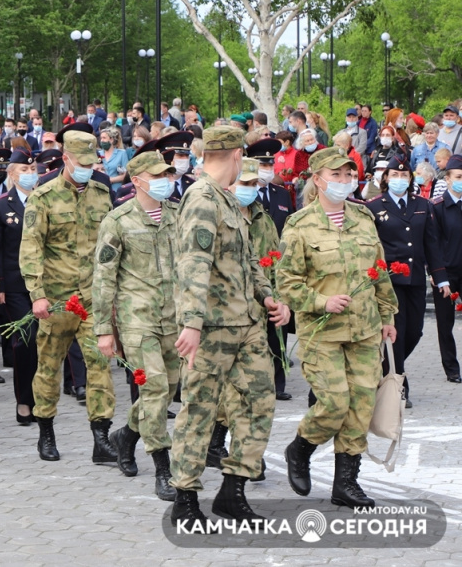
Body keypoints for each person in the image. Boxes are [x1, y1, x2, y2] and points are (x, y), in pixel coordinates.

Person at [168, 126, 289, 527]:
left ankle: (232, 490)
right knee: (200, 409)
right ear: (237, 155)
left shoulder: (227, 199)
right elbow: (193, 264)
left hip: (247, 323)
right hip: (213, 327)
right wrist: (191, 323)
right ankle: (185, 495)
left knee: (260, 403)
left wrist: (267, 295)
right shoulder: (202, 198)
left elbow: (248, 259)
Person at [277, 146, 398, 509]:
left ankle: (346, 484)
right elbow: (286, 282)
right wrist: (321, 301)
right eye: (336, 175)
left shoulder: (363, 219)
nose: (345, 181)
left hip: (364, 329)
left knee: (361, 405)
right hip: (322, 332)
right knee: (333, 403)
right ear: (317, 179)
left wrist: (388, 317)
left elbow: (379, 272)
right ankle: (300, 449)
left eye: (348, 175)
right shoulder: (299, 226)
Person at [20, 129, 118, 463]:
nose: (88, 168)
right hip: (58, 300)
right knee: (48, 368)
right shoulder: (43, 197)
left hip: (93, 300)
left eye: (92, 162)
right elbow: (31, 247)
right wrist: (37, 294)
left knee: (100, 367)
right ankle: (45, 432)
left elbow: (111, 245)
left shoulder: (103, 193)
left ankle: (101, 438)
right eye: (81, 162)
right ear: (66, 158)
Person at [93, 149, 180, 501]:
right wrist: (103, 329)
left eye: (168, 175)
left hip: (174, 319)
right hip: (137, 319)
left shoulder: (178, 215)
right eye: (158, 175)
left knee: (167, 389)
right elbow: (103, 278)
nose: (166, 181)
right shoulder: (118, 220)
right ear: (138, 180)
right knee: (156, 388)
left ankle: (126, 436)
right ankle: (163, 466)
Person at [366, 158, 449, 408]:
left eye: (403, 175)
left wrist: (440, 276)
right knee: (397, 333)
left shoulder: (423, 205)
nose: (399, 179)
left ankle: (386, 367)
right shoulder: (373, 206)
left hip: (414, 278)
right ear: (386, 178)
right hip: (389, 281)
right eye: (393, 175)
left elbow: (430, 243)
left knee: (415, 330)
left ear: (410, 178)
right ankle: (399, 384)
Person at [0, 148, 40, 423]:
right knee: (26, 341)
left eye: (33, 170)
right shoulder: (0, 205)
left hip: (45, 284)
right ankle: (24, 401)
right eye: (24, 170)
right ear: (11, 174)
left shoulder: (44, 201)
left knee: (46, 343)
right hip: (16, 286)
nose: (30, 174)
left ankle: (42, 398)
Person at [431, 155, 462, 383]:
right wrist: (436, 274)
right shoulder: (438, 207)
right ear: (448, 179)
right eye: (459, 177)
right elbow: (432, 244)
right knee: (445, 323)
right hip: (447, 274)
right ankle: (451, 369)